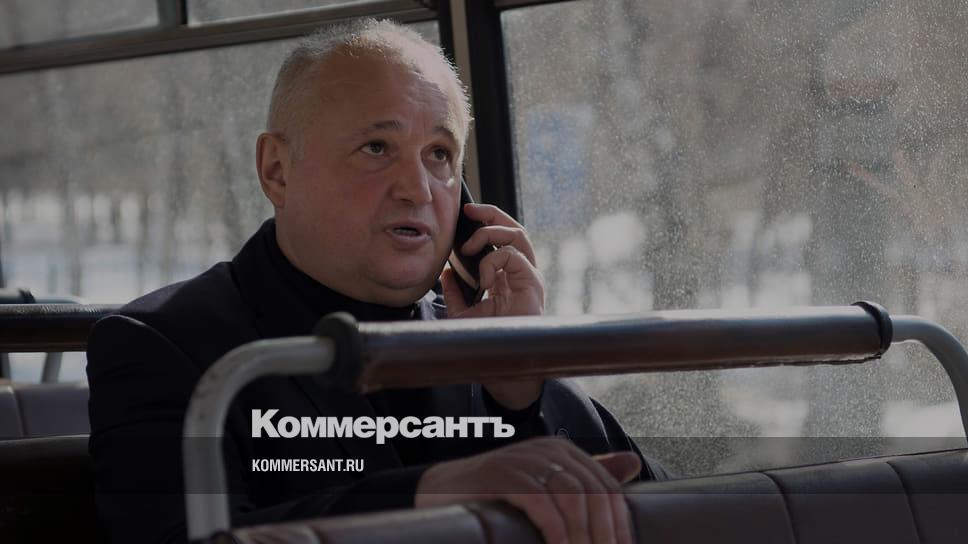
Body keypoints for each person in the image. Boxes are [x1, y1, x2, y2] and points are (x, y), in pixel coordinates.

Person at [86, 19, 665, 544]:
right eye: (377, 147)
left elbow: (665, 505)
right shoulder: (162, 345)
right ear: (277, 171)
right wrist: (430, 493)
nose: (418, 189)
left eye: (440, 154)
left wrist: (519, 394)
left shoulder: (485, 342)